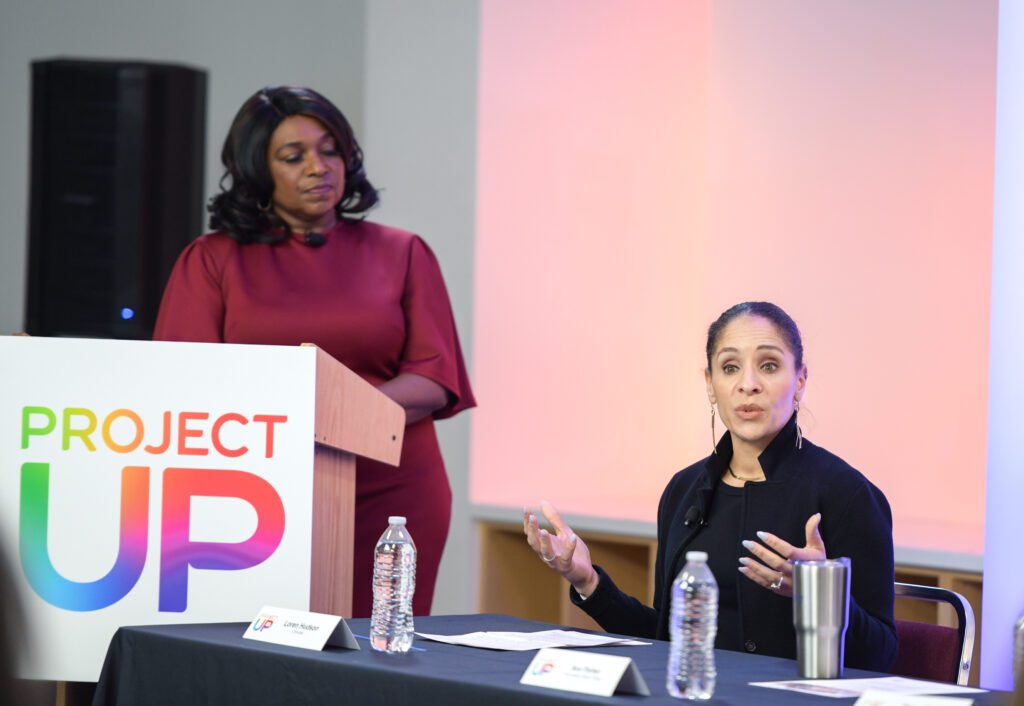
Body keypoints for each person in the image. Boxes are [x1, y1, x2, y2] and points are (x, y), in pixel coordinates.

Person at [154, 86, 475, 617]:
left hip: (391, 490)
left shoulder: (403, 252)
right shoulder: (212, 260)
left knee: (377, 658)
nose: (318, 167)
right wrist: (295, 419)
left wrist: (335, 412)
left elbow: (434, 377)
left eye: (330, 150)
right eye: (293, 156)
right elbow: (186, 382)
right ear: (258, 168)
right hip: (254, 488)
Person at [524, 301, 897, 671]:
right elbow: (665, 642)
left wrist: (820, 594)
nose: (747, 385)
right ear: (710, 384)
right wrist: (587, 580)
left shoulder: (848, 495)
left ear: (800, 381)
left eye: (768, 366)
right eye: (730, 367)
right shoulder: (684, 490)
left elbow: (882, 655)